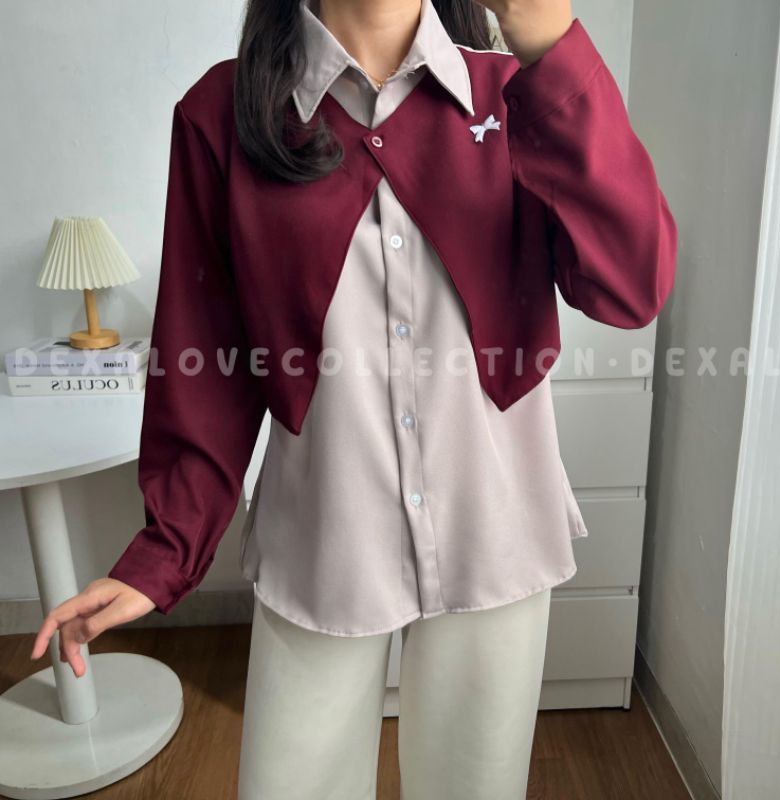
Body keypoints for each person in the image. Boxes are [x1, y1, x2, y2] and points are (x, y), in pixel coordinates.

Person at [31, 0, 678, 797]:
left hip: (496, 528)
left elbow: (632, 285)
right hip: (323, 540)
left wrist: (555, 54)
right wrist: (165, 550)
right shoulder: (223, 116)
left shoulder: (516, 91)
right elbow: (205, 360)